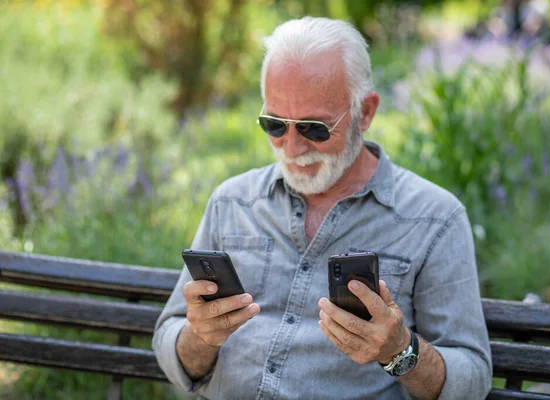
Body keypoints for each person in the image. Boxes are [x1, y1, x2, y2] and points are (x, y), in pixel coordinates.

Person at [152, 17, 492, 400]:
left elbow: (473, 379)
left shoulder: (434, 219)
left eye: (314, 128)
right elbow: (170, 342)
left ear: (365, 113)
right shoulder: (233, 201)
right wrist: (200, 337)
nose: (293, 149)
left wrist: (400, 351)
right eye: (275, 125)